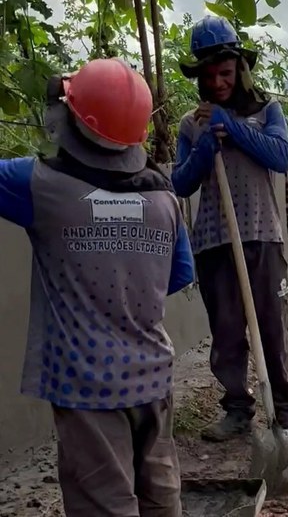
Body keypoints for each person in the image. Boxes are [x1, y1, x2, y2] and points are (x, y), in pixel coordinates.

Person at [0, 57, 195, 515]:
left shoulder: (40, 186)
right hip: (152, 375)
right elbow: (177, 277)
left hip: (86, 385)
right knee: (160, 496)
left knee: (103, 504)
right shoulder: (163, 198)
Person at [171, 16, 288, 448]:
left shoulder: (267, 111)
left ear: (240, 70)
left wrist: (234, 126)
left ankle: (285, 416)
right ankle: (236, 409)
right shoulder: (191, 125)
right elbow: (179, 184)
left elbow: (282, 157)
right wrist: (206, 145)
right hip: (213, 242)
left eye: (225, 74)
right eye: (209, 76)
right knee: (227, 331)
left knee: (272, 329)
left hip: (261, 237)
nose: (217, 82)